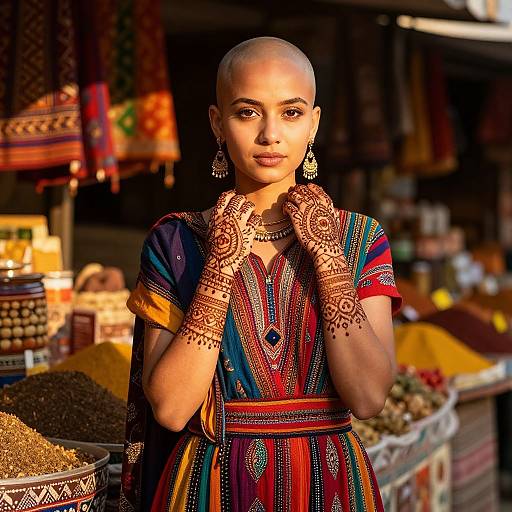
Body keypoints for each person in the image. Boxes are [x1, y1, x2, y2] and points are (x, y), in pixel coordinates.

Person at [120, 36, 402, 512]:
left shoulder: (357, 238)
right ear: (217, 123)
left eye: (291, 113)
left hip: (327, 484)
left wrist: (329, 261)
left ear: (314, 123)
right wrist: (220, 265)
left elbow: (370, 396)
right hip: (211, 488)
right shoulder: (179, 242)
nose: (270, 134)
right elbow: (170, 408)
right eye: (248, 112)